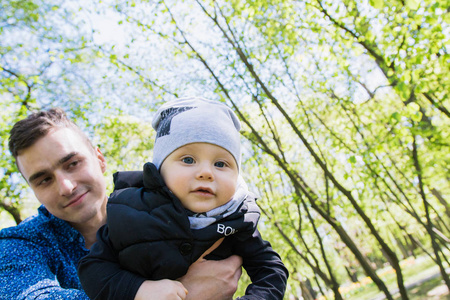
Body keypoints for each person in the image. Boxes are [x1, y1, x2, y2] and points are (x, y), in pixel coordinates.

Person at [0, 107, 242, 300]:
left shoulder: (172, 204)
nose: (66, 187)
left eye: (73, 163)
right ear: (34, 191)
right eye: (44, 180)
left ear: (99, 159)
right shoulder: (19, 245)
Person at [78, 97, 289, 300]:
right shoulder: (129, 211)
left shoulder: (237, 218)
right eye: (188, 160)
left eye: (221, 164)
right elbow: (93, 268)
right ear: (159, 171)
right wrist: (139, 290)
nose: (206, 172)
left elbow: (271, 270)